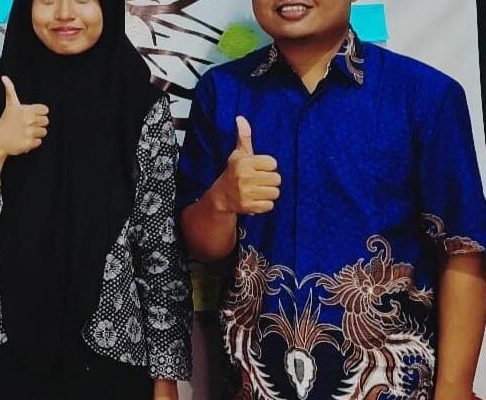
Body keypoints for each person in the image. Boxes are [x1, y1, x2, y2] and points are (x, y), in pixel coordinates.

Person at [178, 0, 486, 399]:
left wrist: (454, 387)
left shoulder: (424, 96)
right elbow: (204, 248)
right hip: (256, 384)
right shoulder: (222, 93)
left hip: (390, 385)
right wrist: (222, 200)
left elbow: (464, 250)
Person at [0, 1, 191, 399]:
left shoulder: (140, 108)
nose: (64, 13)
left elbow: (159, 249)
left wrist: (166, 375)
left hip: (111, 354)